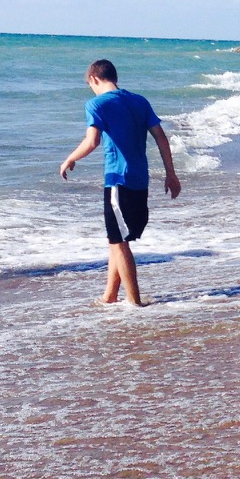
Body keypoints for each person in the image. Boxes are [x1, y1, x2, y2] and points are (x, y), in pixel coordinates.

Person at [59, 59, 181, 306]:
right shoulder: (139, 101)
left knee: (119, 242)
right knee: (116, 239)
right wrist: (171, 173)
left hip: (117, 179)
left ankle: (134, 303)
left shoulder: (96, 104)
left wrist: (70, 158)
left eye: (89, 84)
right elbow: (161, 137)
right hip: (140, 179)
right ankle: (110, 296)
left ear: (94, 79)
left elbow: (92, 141)